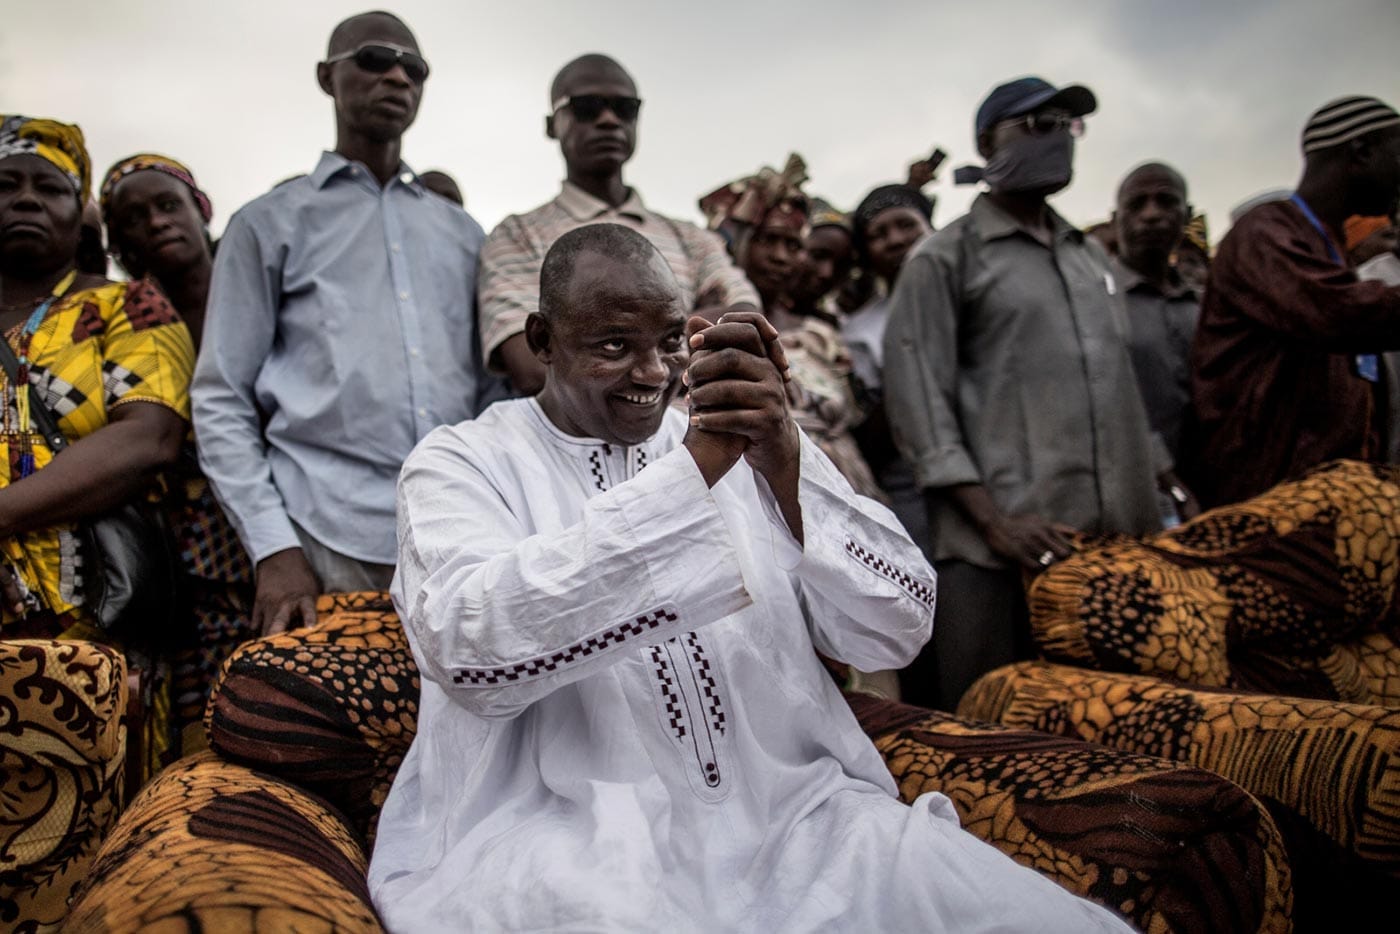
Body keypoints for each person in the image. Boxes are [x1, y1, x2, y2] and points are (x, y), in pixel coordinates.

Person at [369, 222, 1131, 933]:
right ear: (542, 340)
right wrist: (693, 474)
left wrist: (788, 463)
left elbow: (898, 626)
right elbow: (468, 644)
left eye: (670, 342)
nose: (653, 372)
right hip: (570, 837)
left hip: (805, 820)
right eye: (612, 345)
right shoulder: (461, 461)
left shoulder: (752, 440)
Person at [192, 11, 492, 636]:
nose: (397, 79)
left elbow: (491, 388)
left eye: (415, 69)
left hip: (459, 533)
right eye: (376, 60)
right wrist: (275, 548)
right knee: (333, 728)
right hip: (322, 533)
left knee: (468, 727)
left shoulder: (463, 235)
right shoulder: (268, 223)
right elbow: (221, 396)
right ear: (327, 77)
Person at [882, 77, 1167, 711]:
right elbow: (918, 401)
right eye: (1036, 125)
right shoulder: (943, 258)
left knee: (1126, 724)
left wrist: (1160, 474)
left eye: (1067, 125)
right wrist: (996, 522)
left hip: (1112, 544)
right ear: (987, 144)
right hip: (1000, 552)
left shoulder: (1088, 256)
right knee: (998, 734)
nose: (1059, 139)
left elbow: (1115, 381)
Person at [0, 116, 195, 770]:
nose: (25, 198)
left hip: (88, 632)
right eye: (6, 184)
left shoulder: (126, 307)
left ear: (79, 216)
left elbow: (148, 438)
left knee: (91, 837)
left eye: (49, 189)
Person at [477, 53, 758, 396]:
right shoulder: (517, 236)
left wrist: (599, 342)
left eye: (625, 108)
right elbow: (532, 368)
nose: (608, 119)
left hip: (699, 437)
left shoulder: (688, 236)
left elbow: (746, 319)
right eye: (586, 107)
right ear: (551, 125)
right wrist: (691, 323)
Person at [101, 153, 255, 751]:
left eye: (168, 205)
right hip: (176, 551)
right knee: (200, 719)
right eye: (135, 218)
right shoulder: (124, 319)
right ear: (120, 243)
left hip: (279, 525)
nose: (156, 222)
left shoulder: (259, 289)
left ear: (202, 210)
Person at [1187, 96, 1400, 507]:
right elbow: (1340, 313)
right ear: (1361, 152)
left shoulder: (1325, 241)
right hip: (1269, 500)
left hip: (1323, 499)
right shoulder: (1265, 233)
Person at [841, 184, 935, 551]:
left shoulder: (976, 297)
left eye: (906, 225)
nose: (896, 240)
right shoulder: (861, 330)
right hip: (911, 477)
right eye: (878, 235)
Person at [1110, 162, 1203, 525]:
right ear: (1117, 218)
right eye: (1137, 205)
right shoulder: (1095, 301)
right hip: (1132, 498)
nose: (1151, 216)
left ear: (1187, 215)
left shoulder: (1204, 305)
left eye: (1166, 202)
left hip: (1209, 487)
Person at [787, 198, 853, 326]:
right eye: (818, 256)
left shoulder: (832, 327)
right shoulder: (747, 306)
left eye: (840, 264)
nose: (827, 273)